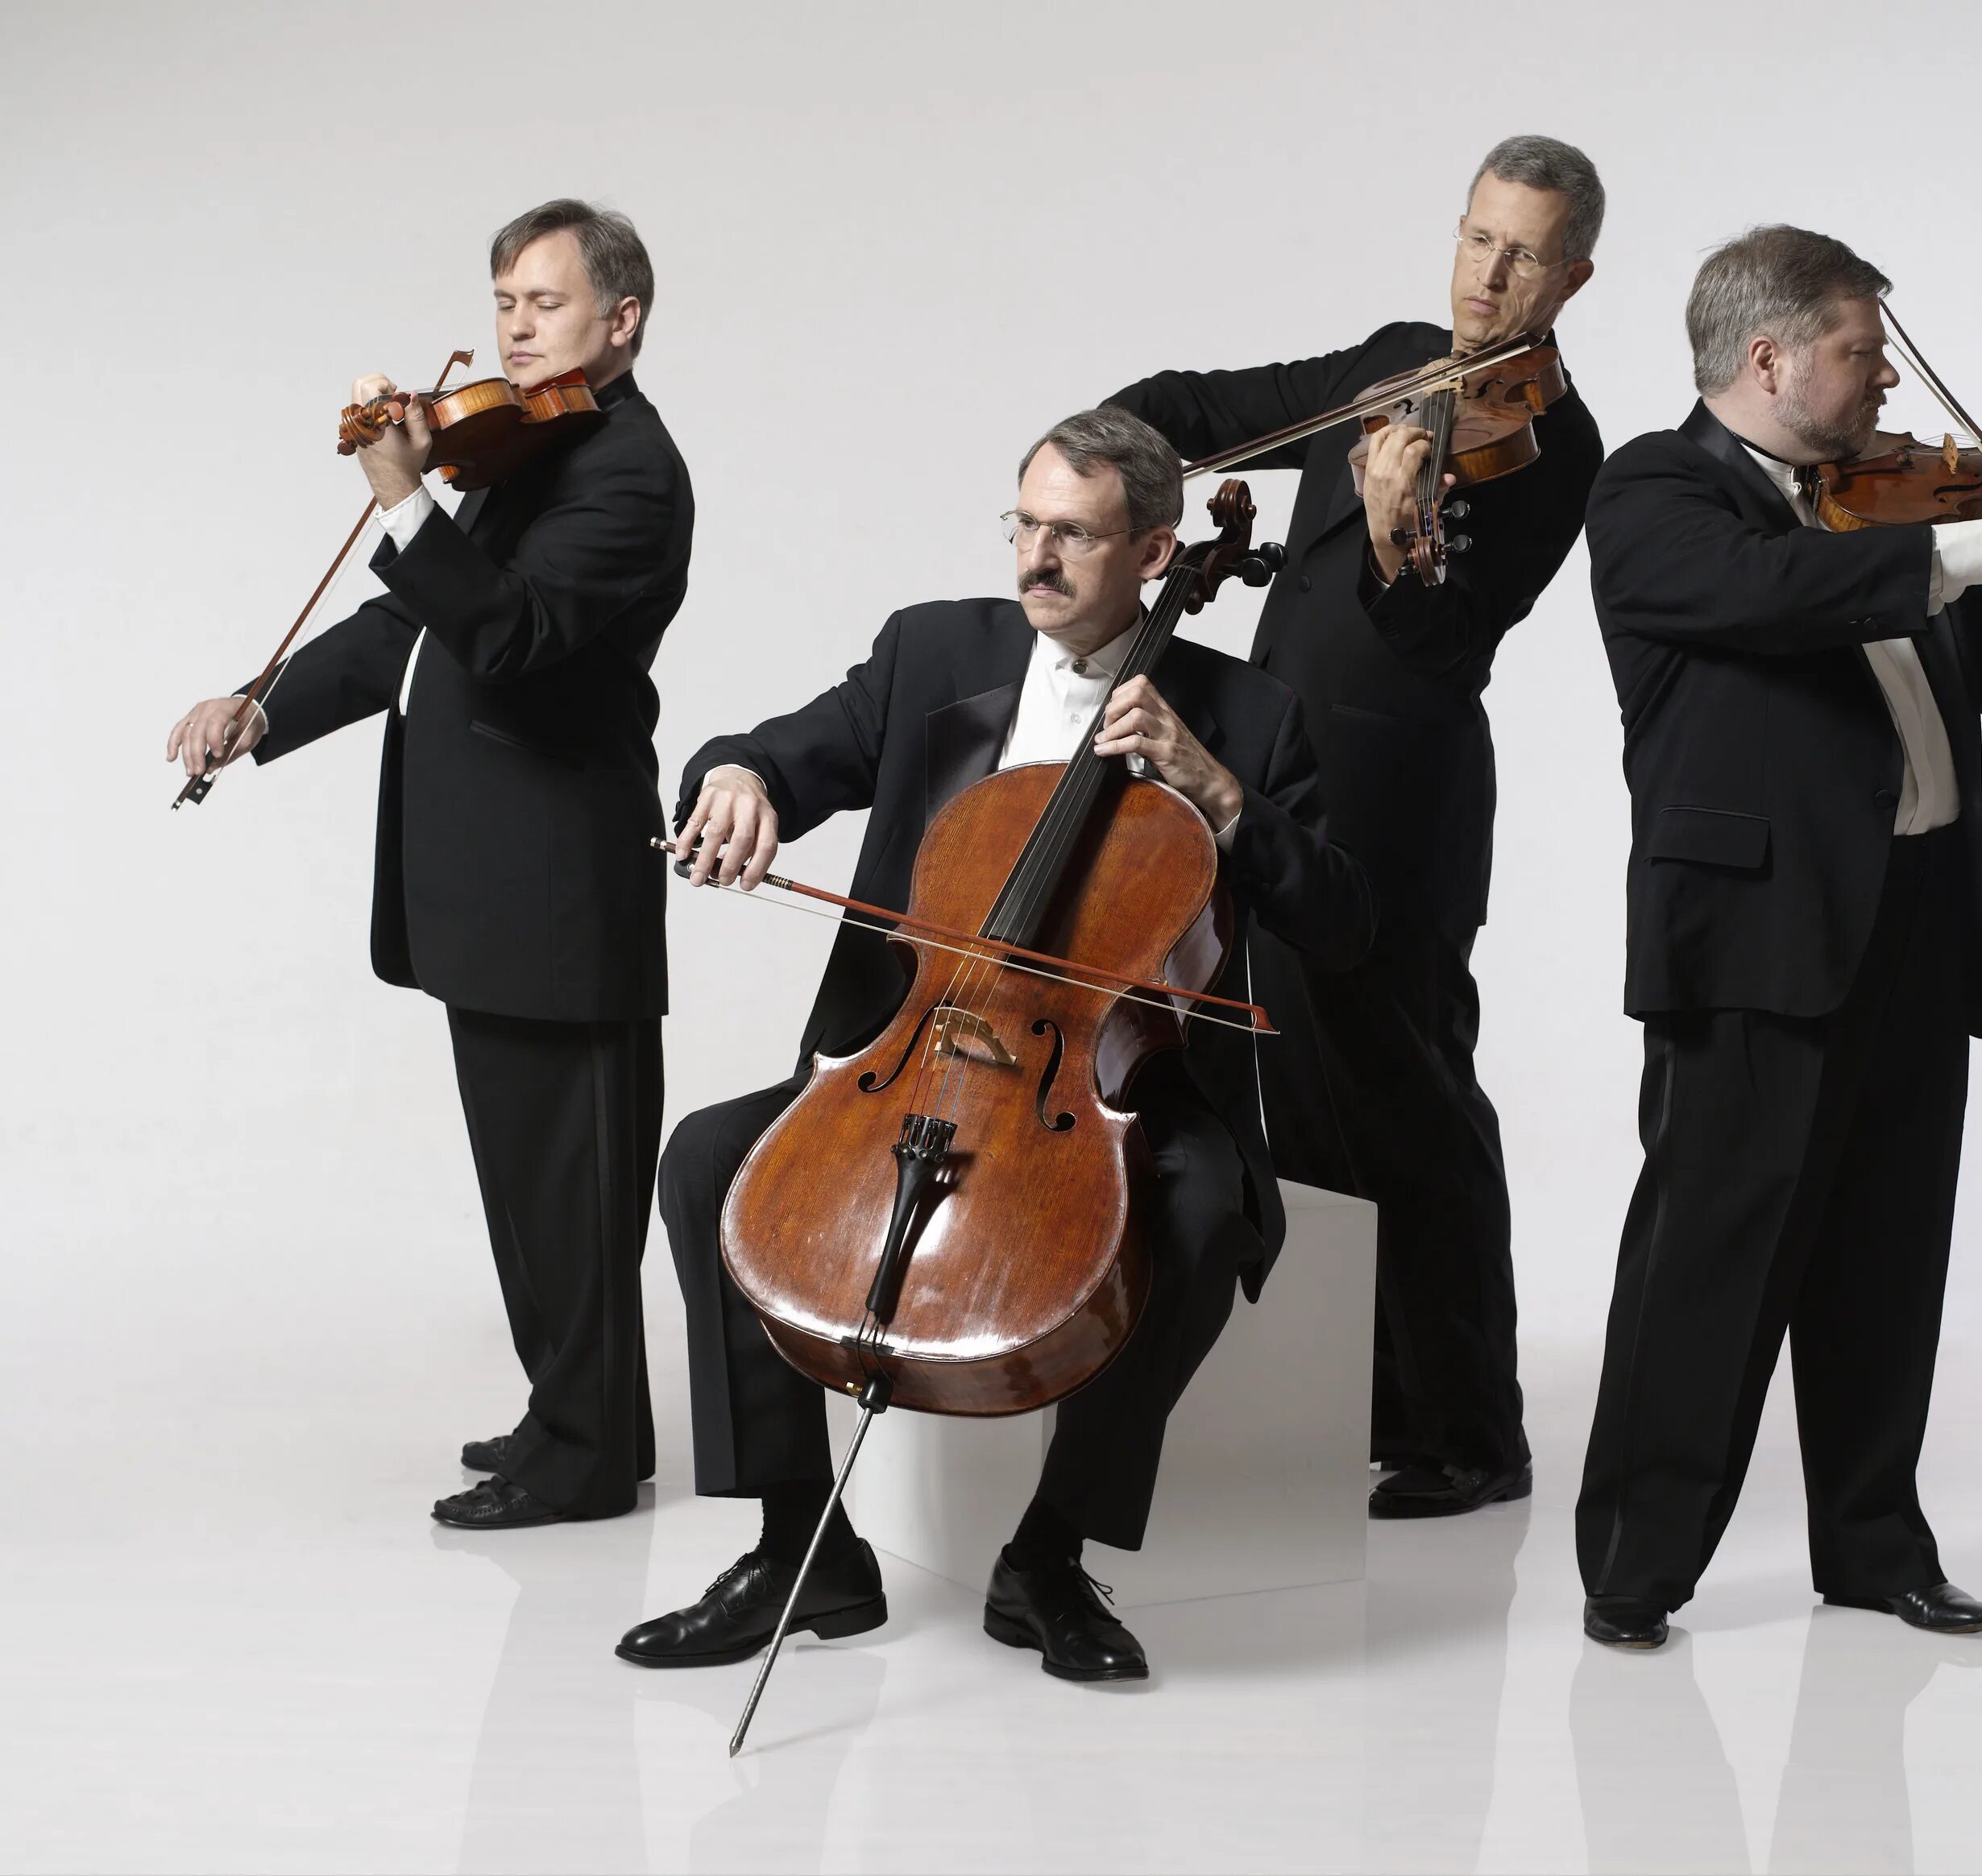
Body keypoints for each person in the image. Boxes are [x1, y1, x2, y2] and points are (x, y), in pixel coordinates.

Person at [618, 408, 1373, 1682]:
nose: (1035, 557)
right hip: (912, 1049)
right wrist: (734, 777)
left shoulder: (1246, 715)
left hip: (1119, 1078)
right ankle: (804, 1545)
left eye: (1072, 534)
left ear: (1155, 553)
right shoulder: (932, 651)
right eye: (1023, 524)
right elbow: (775, 755)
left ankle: (1051, 1555)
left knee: (1199, 1211)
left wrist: (1219, 795)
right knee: (704, 1158)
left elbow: (1346, 922)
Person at [1575, 225, 1982, 1649]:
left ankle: (1872, 1545)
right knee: (1712, 1263)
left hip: (1916, 922)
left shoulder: (1874, 518)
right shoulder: (1658, 490)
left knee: (1886, 1257)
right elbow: (1764, 597)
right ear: (1767, 358)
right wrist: (1981, 542)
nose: (1884, 382)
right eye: (1861, 351)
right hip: (1756, 937)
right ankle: (1634, 1565)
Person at [165, 200, 693, 1529]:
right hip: (492, 886)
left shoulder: (631, 472)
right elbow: (411, 619)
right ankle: (580, 1414)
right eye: (504, 303)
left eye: (546, 303)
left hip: (562, 887)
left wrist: (405, 495)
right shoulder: (524, 452)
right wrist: (263, 704)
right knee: (525, 1179)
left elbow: (507, 636)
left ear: (622, 318)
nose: (515, 329)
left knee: (573, 1187)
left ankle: (583, 1458)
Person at [1107, 135, 1605, 1518]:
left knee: (1411, 1108)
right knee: (1309, 1102)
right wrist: (1103, 449)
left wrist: (1394, 540)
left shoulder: (1556, 446)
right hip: (1276, 787)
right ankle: (1372, 1402)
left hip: (1398, 813)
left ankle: (1475, 1434)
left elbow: (1445, 642)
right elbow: (1212, 404)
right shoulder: (1395, 360)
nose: (1488, 275)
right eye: (1478, 238)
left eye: (1524, 255)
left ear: (1573, 278)